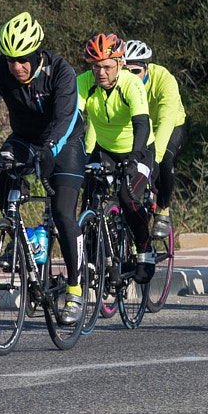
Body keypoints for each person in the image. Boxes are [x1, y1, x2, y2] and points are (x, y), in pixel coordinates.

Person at [0, 12, 89, 326]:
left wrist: (50, 150)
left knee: (62, 212)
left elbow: (65, 118)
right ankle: (15, 237)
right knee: (3, 166)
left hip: (64, 141)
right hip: (24, 138)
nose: (16, 67)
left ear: (36, 55)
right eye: (10, 60)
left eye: (23, 60)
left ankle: (75, 290)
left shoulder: (60, 70)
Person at [77, 33, 157, 284]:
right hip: (105, 149)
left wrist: (135, 156)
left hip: (139, 148)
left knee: (128, 197)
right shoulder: (83, 83)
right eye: (96, 67)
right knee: (87, 198)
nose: (101, 73)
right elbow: (75, 122)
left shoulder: (131, 85)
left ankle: (145, 251)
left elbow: (142, 124)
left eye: (107, 67)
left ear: (120, 64)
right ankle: (90, 260)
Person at [120, 39, 185, 238]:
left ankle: (163, 209)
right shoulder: (117, 83)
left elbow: (166, 121)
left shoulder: (164, 79)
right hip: (137, 128)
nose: (130, 77)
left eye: (135, 72)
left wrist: (154, 160)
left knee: (163, 157)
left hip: (168, 125)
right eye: (125, 71)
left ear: (146, 68)